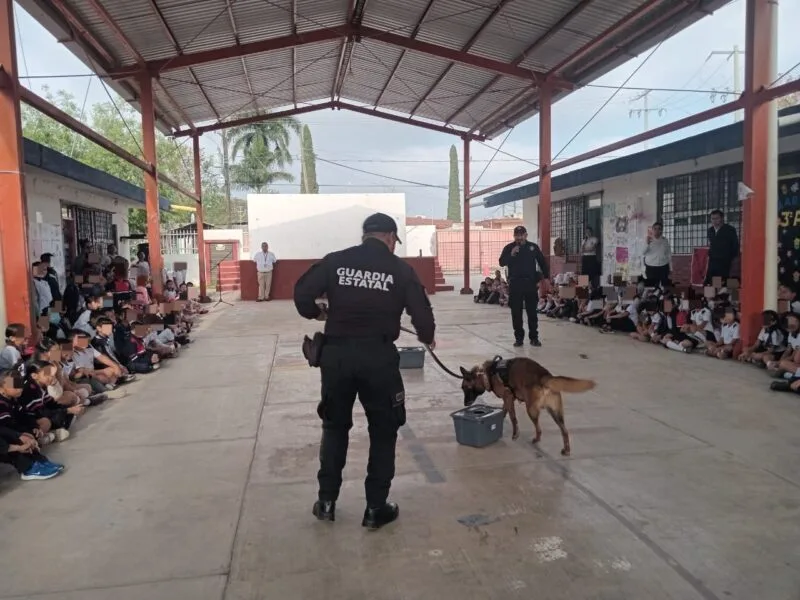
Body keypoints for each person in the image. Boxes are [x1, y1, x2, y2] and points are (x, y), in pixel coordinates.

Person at [293, 212, 436, 531]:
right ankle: (375, 508)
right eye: (394, 241)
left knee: (334, 427)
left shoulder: (336, 261)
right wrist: (427, 337)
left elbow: (301, 294)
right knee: (383, 431)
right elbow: (422, 315)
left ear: (365, 235)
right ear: (389, 237)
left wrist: (318, 313)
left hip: (337, 357)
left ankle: (326, 502)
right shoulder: (400, 270)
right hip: (378, 359)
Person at [498, 225, 550, 347]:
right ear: (514, 236)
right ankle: (519, 338)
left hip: (530, 283)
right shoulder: (509, 248)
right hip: (515, 284)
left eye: (521, 235)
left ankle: (534, 338)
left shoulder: (533, 247)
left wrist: (546, 278)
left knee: (532, 312)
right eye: (517, 235)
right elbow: (501, 262)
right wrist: (511, 254)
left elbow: (542, 262)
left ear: (526, 235)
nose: (519, 238)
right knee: (516, 313)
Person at [705, 209, 739, 285]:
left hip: (726, 261)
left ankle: (729, 291)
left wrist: (733, 260)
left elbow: (735, 245)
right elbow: (711, 245)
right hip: (713, 262)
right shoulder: (710, 230)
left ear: (722, 218)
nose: (714, 221)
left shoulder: (730, 230)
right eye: (712, 219)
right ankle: (715, 291)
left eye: (717, 218)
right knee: (714, 283)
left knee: (727, 283)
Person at [643, 221, 672, 288]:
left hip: (663, 267)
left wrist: (671, 268)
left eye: (659, 229)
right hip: (651, 267)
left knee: (665, 287)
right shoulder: (648, 240)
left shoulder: (665, 240)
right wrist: (647, 244)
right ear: (652, 230)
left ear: (661, 230)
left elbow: (669, 254)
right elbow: (643, 252)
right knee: (651, 287)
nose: (657, 230)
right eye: (655, 228)